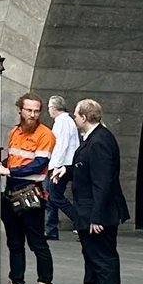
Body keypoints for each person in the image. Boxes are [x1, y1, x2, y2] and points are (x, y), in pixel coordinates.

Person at [0, 92, 57, 284]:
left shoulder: (45, 134)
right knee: (14, 242)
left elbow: (38, 165)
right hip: (11, 192)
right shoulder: (14, 132)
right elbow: (14, 158)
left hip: (31, 193)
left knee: (38, 243)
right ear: (20, 110)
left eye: (37, 111)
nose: (33, 114)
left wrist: (8, 171)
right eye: (29, 110)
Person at [63, 97, 126, 284]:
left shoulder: (100, 141)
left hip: (98, 212)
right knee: (91, 256)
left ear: (84, 117)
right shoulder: (93, 139)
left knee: (103, 258)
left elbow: (103, 181)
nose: (74, 117)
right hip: (89, 211)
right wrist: (68, 170)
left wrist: (97, 217)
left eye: (76, 114)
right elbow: (87, 169)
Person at [45, 95, 79, 242]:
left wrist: (55, 166)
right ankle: (51, 230)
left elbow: (61, 145)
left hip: (62, 165)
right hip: (61, 164)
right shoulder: (63, 121)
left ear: (53, 108)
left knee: (55, 196)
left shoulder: (63, 122)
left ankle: (79, 221)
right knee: (51, 197)